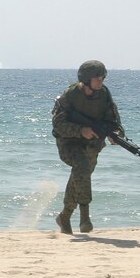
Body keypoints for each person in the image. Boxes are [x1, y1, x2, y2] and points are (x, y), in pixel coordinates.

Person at [51, 59, 124, 234]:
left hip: (92, 144)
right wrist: (80, 130)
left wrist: (116, 134)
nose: (101, 82)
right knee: (82, 167)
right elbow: (58, 125)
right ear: (86, 79)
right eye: (98, 78)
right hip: (69, 142)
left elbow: (113, 119)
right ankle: (85, 217)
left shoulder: (104, 94)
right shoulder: (68, 97)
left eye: (103, 78)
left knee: (80, 177)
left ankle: (65, 216)